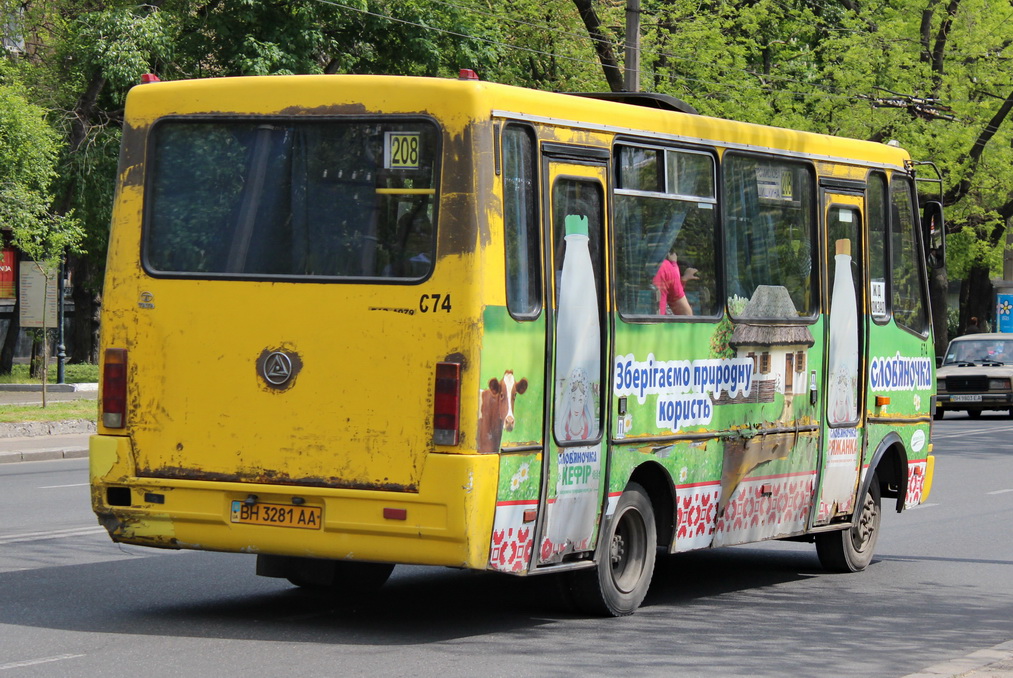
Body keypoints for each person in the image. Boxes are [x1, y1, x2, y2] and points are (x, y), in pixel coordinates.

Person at [653, 248, 698, 315]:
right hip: (658, 324)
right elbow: (686, 314)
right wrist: (673, 264)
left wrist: (683, 280)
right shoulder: (665, 268)